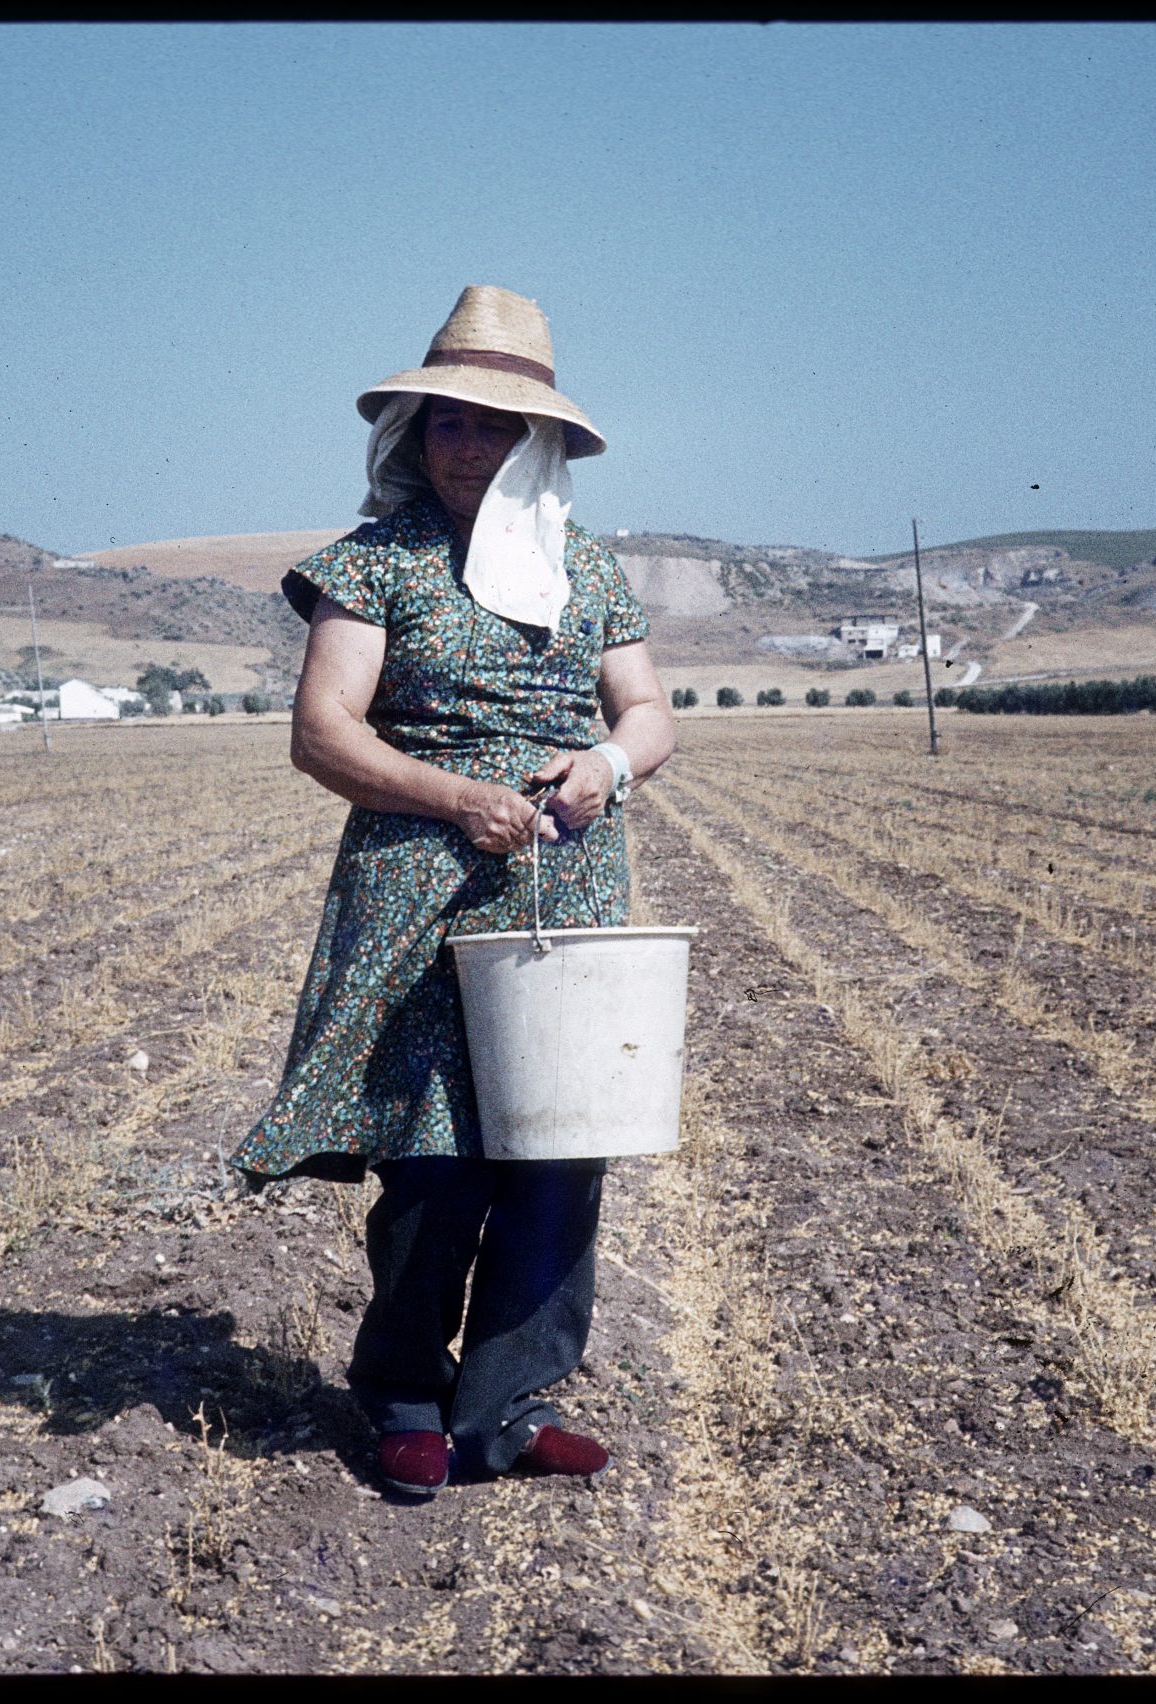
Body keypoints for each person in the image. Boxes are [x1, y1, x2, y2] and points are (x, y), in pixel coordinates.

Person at [230, 285, 676, 1498]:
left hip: (562, 876)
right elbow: (322, 733)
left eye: (490, 427)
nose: (464, 446)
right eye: (444, 424)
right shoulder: (372, 566)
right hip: (418, 876)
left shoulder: (587, 570)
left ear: (539, 441)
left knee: (559, 1141)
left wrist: (605, 764)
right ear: (412, 438)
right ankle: (405, 1394)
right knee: (433, 1149)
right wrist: (452, 797)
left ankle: (509, 1410)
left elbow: (647, 712)